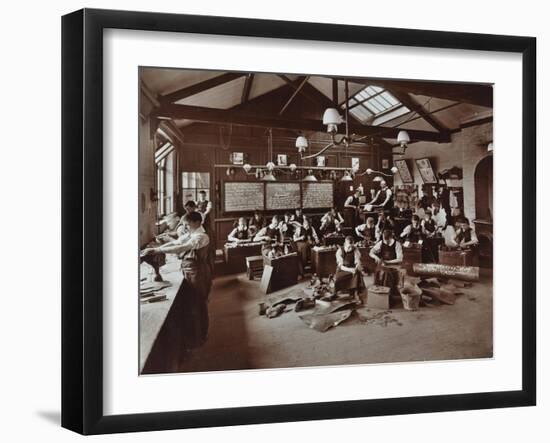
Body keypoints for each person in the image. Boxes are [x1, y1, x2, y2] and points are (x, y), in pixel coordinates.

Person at [141, 211, 212, 350]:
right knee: (192, 304)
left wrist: (157, 251)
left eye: (187, 224)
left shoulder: (201, 236)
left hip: (198, 271)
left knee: (198, 304)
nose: (185, 227)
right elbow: (178, 242)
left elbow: (182, 247)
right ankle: (195, 336)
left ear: (196, 222)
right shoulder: (191, 233)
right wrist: (157, 248)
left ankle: (200, 337)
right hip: (189, 269)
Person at [370, 228, 403, 294]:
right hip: (383, 264)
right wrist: (376, 257)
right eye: (384, 240)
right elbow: (371, 252)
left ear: (391, 237)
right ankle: (379, 291)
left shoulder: (397, 244)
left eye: (387, 240)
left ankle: (388, 292)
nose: (385, 242)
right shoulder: (381, 243)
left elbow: (400, 259)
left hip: (394, 264)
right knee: (378, 271)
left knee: (387, 274)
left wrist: (388, 262)